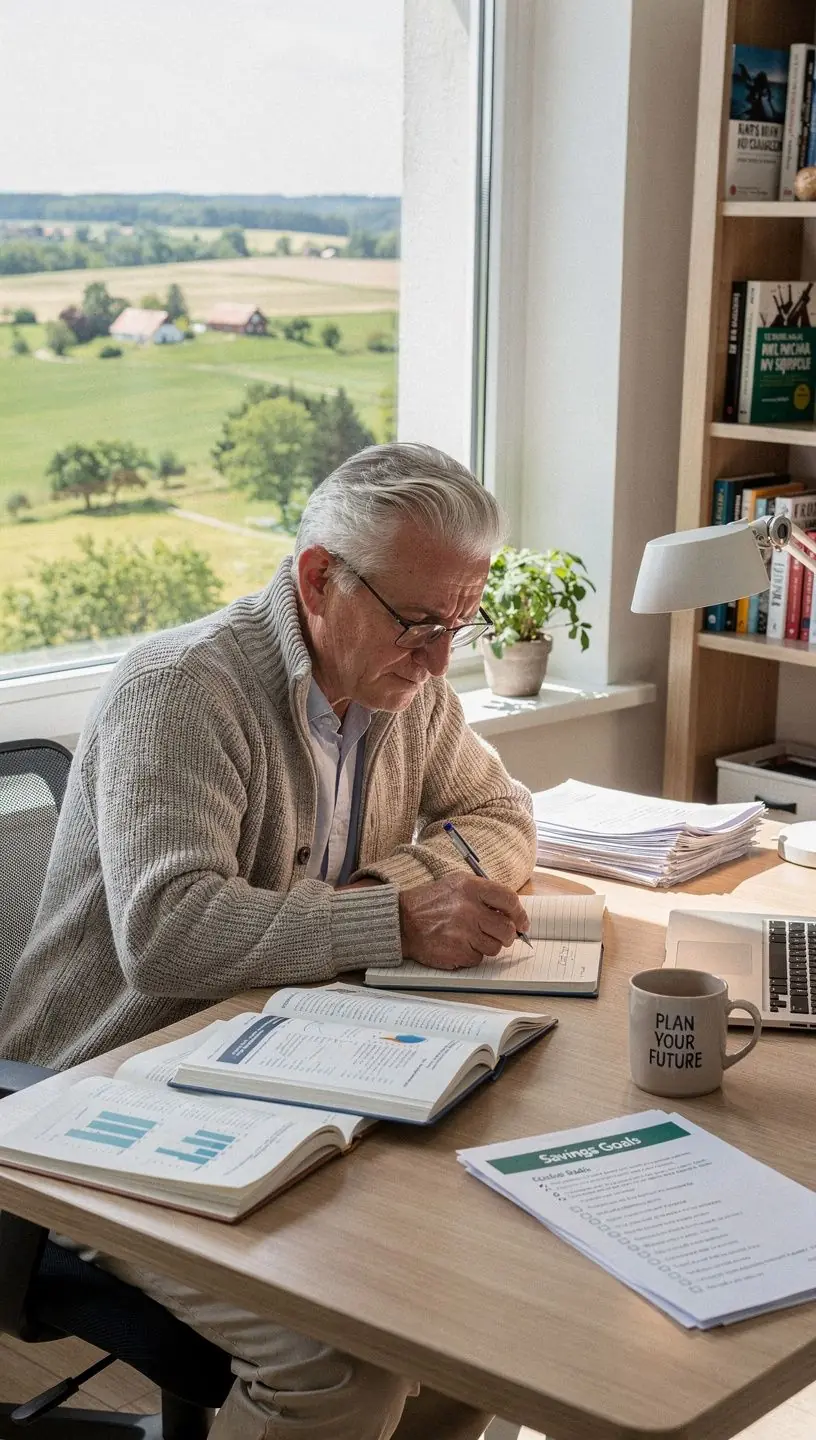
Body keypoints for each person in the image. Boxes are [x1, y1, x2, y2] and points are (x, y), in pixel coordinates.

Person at [1, 442, 536, 1440]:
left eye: (461, 624)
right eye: (421, 622)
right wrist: (400, 918)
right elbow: (168, 936)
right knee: (340, 1366)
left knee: (478, 1325)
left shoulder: (406, 689)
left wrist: (389, 888)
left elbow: (501, 818)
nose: (439, 659)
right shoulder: (181, 690)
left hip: (287, 1063)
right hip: (100, 1092)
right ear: (319, 579)